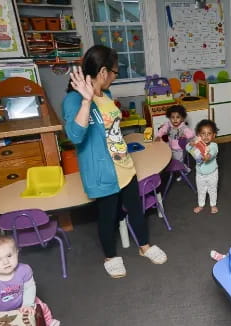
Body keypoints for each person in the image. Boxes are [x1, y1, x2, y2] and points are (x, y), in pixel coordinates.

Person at [63, 45, 167, 278]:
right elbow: (75, 136)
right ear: (103, 72)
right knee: (107, 216)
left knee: (135, 208)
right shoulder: (73, 100)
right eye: (115, 73)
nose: (114, 77)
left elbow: (113, 132)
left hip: (124, 166)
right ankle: (110, 255)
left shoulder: (107, 95)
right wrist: (86, 101)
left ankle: (144, 246)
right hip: (103, 171)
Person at [0, 235, 59, 326]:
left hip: (22, 302)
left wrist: (27, 304)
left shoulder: (24, 270)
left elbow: (29, 287)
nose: (6, 262)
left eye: (9, 255)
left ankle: (48, 322)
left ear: (17, 253)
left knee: (41, 306)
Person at [186, 119, 219, 214]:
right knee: (201, 190)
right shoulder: (197, 144)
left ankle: (213, 204)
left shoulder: (213, 146)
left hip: (212, 173)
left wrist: (207, 156)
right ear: (198, 135)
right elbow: (188, 148)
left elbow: (211, 154)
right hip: (200, 174)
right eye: (203, 134)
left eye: (209, 133)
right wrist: (191, 144)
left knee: (212, 189)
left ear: (213, 135)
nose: (206, 136)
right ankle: (201, 205)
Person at [155, 105, 194, 181]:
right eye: (173, 117)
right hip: (170, 147)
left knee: (179, 162)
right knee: (169, 159)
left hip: (180, 150)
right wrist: (158, 136)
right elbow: (162, 130)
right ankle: (173, 168)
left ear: (182, 118)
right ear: (169, 118)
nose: (175, 120)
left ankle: (184, 170)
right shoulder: (168, 125)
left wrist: (185, 135)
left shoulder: (183, 128)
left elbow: (191, 134)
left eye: (178, 117)